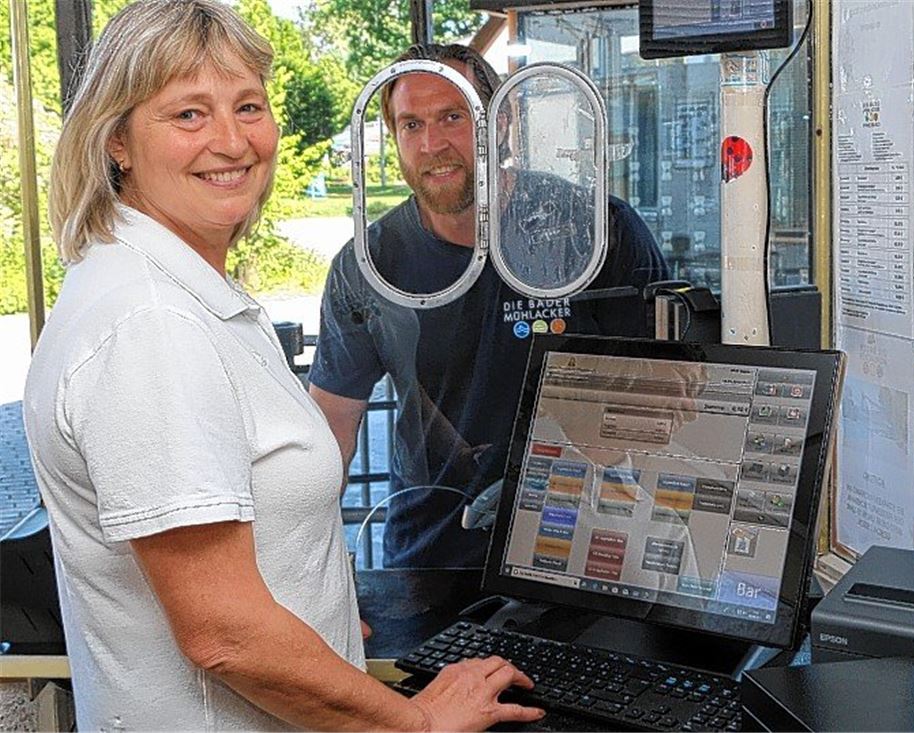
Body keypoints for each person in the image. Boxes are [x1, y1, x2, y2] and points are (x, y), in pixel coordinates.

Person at [23, 3, 542, 730]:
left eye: (247, 106)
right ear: (117, 141)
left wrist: (315, 615)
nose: (231, 141)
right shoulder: (152, 325)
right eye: (189, 115)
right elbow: (224, 632)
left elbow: (236, 544)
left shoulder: (175, 291)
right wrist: (419, 722)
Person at [309, 44, 669, 569]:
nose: (433, 144)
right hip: (432, 557)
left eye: (453, 117)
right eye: (411, 125)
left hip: (588, 550)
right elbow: (331, 429)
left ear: (503, 120)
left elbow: (668, 390)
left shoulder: (595, 231)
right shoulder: (367, 265)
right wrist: (313, 579)